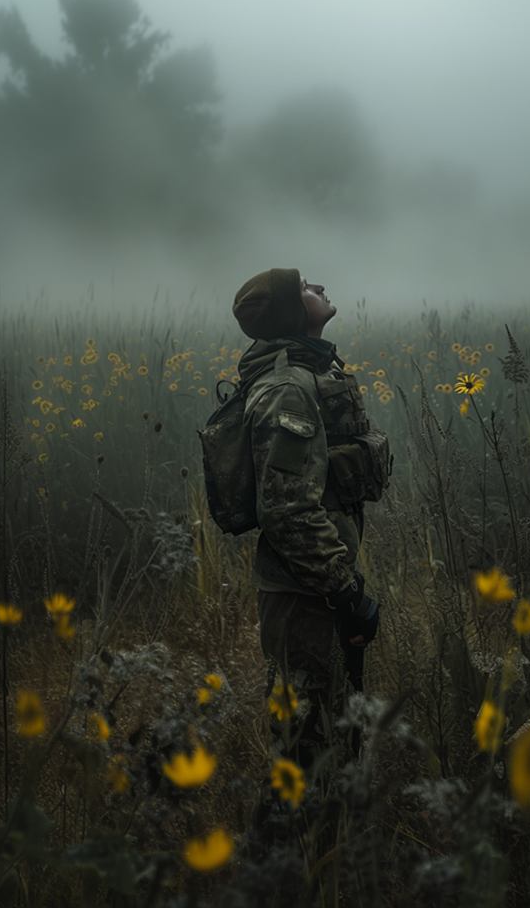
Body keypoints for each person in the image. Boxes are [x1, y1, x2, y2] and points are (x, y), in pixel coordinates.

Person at [232, 267, 389, 775]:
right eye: (304, 287)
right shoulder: (288, 390)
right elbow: (286, 510)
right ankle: (287, 848)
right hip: (307, 597)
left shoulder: (309, 375)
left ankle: (326, 846)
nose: (319, 287)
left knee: (334, 738)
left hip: (317, 587)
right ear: (292, 314)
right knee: (308, 751)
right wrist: (347, 594)